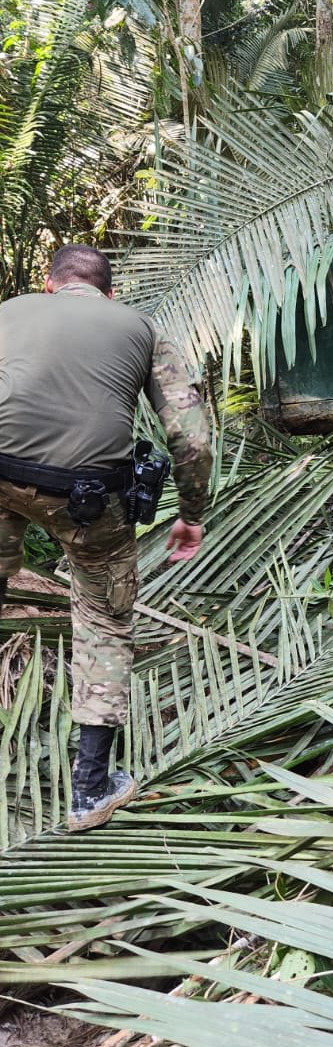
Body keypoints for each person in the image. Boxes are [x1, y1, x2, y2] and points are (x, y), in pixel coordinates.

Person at [0, 244, 213, 832]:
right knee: (103, 618)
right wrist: (190, 512)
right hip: (86, 499)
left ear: (50, 285)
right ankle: (90, 790)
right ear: (109, 294)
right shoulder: (141, 327)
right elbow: (191, 440)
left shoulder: (8, 310)